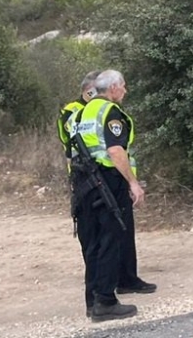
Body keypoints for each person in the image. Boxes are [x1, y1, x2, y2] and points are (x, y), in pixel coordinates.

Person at [71, 69, 155, 322]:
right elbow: (116, 150)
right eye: (124, 86)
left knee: (93, 243)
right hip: (107, 181)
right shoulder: (110, 112)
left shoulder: (80, 112)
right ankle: (105, 301)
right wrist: (133, 182)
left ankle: (92, 300)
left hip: (84, 183)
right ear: (114, 88)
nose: (125, 91)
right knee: (111, 240)